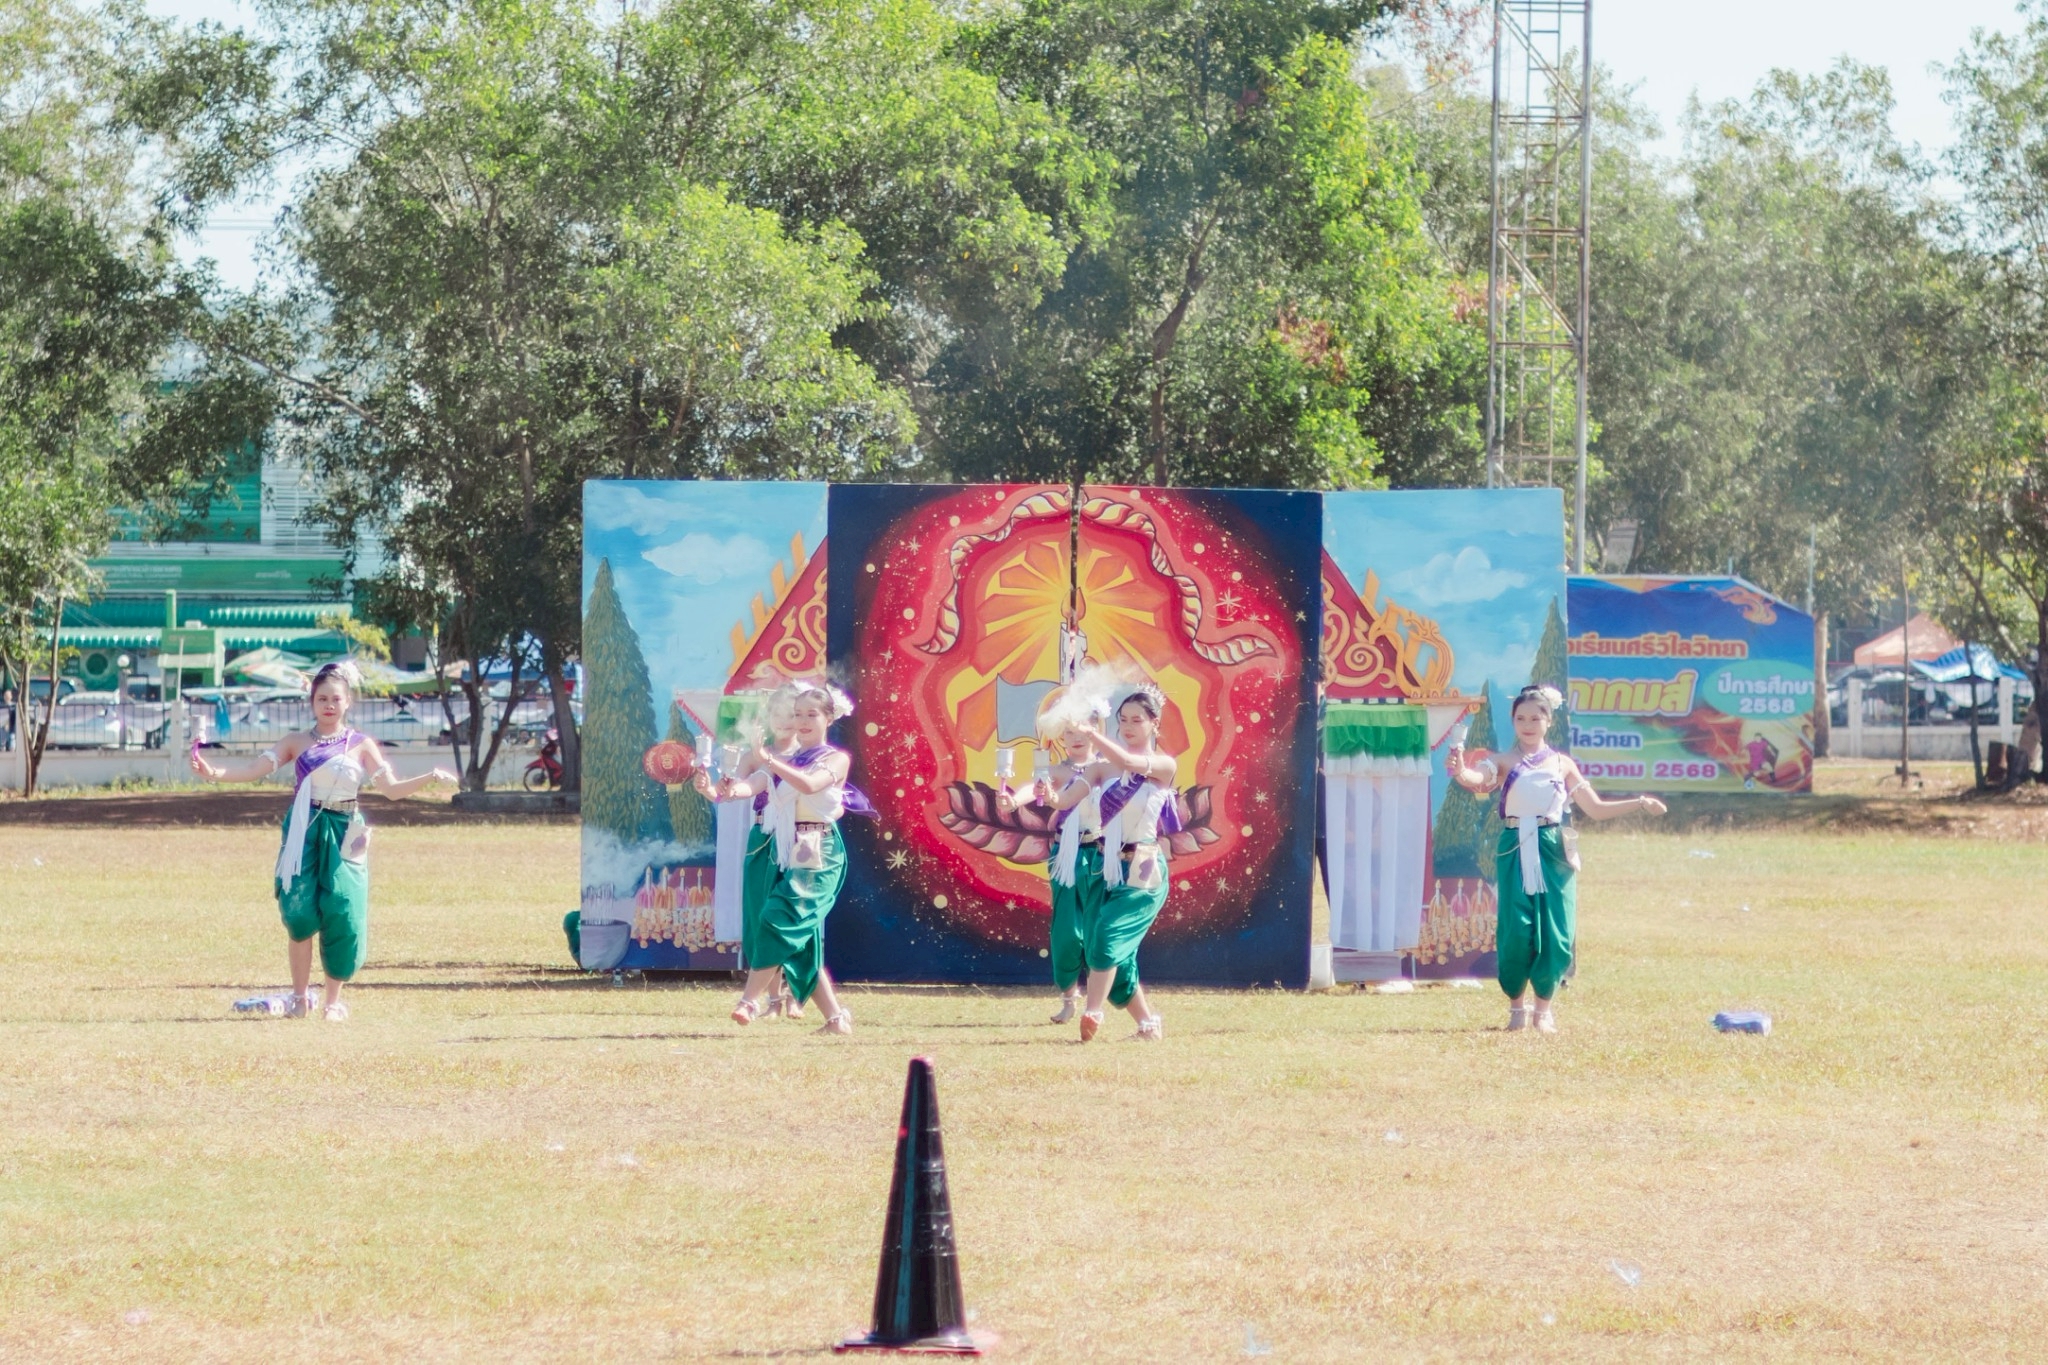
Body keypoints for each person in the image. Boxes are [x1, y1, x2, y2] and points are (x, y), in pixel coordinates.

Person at [190, 661, 457, 1020]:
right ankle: (299, 998)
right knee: (299, 911)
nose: (329, 705)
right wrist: (213, 772)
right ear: (312, 702)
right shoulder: (296, 742)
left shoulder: (361, 744)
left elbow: (391, 790)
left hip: (347, 831)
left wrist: (429, 776)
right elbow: (254, 770)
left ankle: (333, 1002)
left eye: (336, 699)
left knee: (343, 910)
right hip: (304, 830)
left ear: (348, 702)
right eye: (322, 699)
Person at [1446, 684, 1668, 1034]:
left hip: (1553, 848)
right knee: (1516, 930)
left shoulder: (1562, 764)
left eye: (1535, 718)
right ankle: (1516, 1007)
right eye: (1521, 718)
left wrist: (1639, 801)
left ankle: (1543, 1010)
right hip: (1515, 845)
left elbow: (1595, 808)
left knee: (1557, 930)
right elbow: (1477, 778)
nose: (1528, 725)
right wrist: (1461, 770)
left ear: (1549, 721)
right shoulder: (1504, 761)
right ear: (1513, 721)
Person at [715, 681, 873, 1035]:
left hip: (820, 851)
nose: (801, 721)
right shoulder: (786, 761)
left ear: (829, 718)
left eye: (810, 714)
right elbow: (752, 785)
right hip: (786, 849)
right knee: (801, 941)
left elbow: (810, 785)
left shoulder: (835, 758)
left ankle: (750, 1000)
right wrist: (726, 789)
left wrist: (770, 759)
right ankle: (836, 1019)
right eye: (797, 714)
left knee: (779, 917)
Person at [1052, 682, 1180, 1042]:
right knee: (1116, 957)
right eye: (1123, 719)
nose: (1128, 726)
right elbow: (1065, 802)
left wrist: (1093, 733)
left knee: (1107, 937)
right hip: (1107, 867)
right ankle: (1148, 1024)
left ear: (1154, 723)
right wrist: (1048, 796)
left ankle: (1093, 1011)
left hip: (1144, 867)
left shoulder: (1163, 765)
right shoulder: (1100, 769)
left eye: (1137, 720)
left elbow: (1129, 763)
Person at [996, 689, 1111, 1024]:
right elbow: (1036, 787)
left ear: (1095, 729)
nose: (1075, 738)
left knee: (1097, 929)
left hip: (1101, 854)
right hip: (1067, 856)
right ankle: (1069, 998)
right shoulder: (1059, 771)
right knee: (1066, 931)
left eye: (1080, 730)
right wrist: (1013, 801)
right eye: (1068, 732)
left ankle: (1095, 1004)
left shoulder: (1107, 768)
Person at [694, 684, 804, 1019]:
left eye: (791, 714)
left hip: (802, 841)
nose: (784, 721)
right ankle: (773, 998)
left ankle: (796, 992)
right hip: (763, 840)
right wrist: (709, 789)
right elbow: (729, 792)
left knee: (796, 916)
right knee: (761, 916)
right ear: (767, 717)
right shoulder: (754, 755)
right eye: (777, 714)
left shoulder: (812, 755)